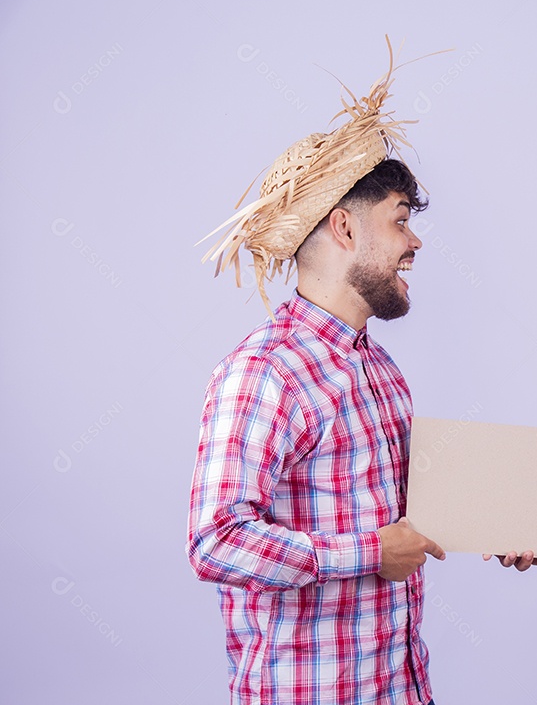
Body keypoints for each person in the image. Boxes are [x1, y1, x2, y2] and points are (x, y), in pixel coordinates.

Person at [187, 52, 444, 705]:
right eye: (401, 219)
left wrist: (519, 516)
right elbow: (216, 542)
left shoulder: (381, 371)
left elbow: (414, 523)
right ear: (345, 225)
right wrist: (363, 554)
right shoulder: (265, 371)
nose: (415, 243)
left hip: (399, 688)